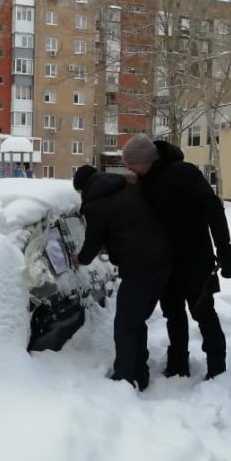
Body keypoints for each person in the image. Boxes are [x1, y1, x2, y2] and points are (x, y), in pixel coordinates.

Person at [121, 134, 231, 381]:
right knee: (173, 314)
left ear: (145, 160)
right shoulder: (144, 181)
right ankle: (177, 363)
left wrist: (224, 251)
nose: (128, 168)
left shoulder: (185, 173)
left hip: (195, 258)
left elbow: (214, 210)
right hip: (165, 262)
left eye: (131, 163)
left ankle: (217, 369)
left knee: (204, 313)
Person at [71, 164, 171, 391]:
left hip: (140, 267)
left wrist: (80, 259)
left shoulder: (96, 204)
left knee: (125, 325)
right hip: (162, 259)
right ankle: (140, 373)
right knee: (135, 320)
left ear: (83, 188)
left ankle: (124, 377)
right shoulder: (127, 189)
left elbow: (93, 242)